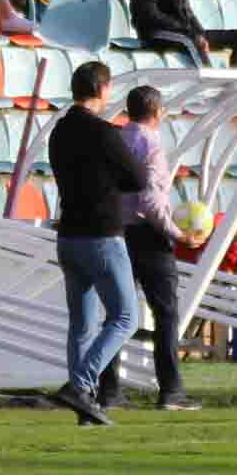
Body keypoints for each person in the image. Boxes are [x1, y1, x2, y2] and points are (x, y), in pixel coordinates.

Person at [44, 60, 144, 426]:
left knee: (82, 325)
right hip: (101, 235)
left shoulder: (59, 132)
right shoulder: (104, 132)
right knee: (125, 317)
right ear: (103, 89)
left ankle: (83, 406)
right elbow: (136, 178)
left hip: (68, 234)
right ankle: (81, 385)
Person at [110, 85, 196, 413]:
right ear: (158, 112)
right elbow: (151, 199)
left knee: (118, 313)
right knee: (167, 313)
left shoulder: (116, 139)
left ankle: (109, 389)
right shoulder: (152, 144)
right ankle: (171, 390)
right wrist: (177, 234)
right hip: (149, 237)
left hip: (117, 233)